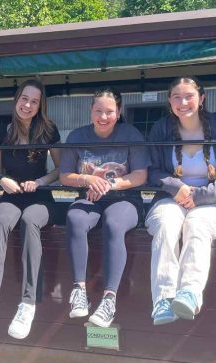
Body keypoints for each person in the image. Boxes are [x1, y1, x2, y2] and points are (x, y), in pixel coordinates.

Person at [145, 77, 216, 326]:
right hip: (173, 198)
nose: (183, 103)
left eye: (189, 96)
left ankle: (189, 294)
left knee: (197, 222)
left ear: (202, 98)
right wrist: (176, 187)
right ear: (169, 101)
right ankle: (163, 299)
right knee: (166, 222)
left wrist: (201, 196)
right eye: (177, 97)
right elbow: (151, 170)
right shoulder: (161, 128)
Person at [0, 80, 61, 339]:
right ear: (16, 99)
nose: (28, 105)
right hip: (11, 195)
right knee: (1, 218)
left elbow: (60, 170)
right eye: (24, 99)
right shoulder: (1, 131)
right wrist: (2, 181)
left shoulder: (49, 131)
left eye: (34, 101)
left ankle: (28, 303)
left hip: (40, 196)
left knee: (30, 220)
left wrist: (41, 181)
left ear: (40, 106)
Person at [58, 88, 150, 328]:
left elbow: (140, 175)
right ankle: (79, 291)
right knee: (75, 218)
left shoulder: (131, 134)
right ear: (91, 111)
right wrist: (88, 179)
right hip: (89, 197)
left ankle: (109, 300)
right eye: (98, 111)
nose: (103, 117)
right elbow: (65, 176)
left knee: (113, 224)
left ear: (118, 112)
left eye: (109, 112)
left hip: (125, 199)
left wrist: (108, 185)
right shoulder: (77, 136)